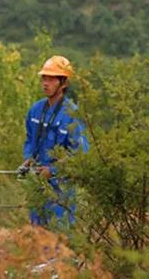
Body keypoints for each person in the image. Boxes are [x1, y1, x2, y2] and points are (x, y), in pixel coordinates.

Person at [20, 55, 89, 227]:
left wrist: (53, 170)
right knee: (37, 236)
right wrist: (28, 159)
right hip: (37, 185)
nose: (45, 83)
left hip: (61, 190)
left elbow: (80, 154)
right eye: (44, 78)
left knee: (59, 238)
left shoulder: (72, 115)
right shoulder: (35, 110)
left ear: (63, 83)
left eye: (51, 79)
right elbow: (29, 139)